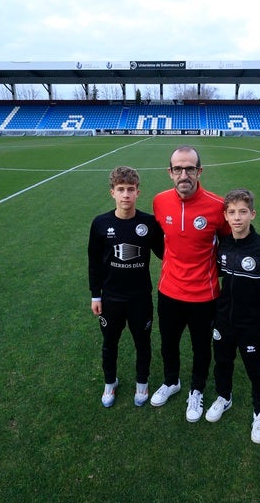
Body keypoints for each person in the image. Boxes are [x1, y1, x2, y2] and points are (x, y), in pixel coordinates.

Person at [151, 145, 231, 423]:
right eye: (177, 168)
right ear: (169, 172)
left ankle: (196, 390)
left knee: (200, 347)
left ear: (199, 171)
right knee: (168, 343)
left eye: (189, 168)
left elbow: (230, 245)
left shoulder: (217, 206)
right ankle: (172, 382)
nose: (183, 174)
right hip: (169, 291)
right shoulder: (159, 201)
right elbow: (164, 240)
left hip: (204, 295)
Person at [204, 188, 260, 444]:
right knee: (222, 362)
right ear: (226, 216)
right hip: (223, 321)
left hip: (252, 325)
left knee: (257, 370)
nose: (237, 217)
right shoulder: (223, 245)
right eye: (231, 212)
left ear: (252, 214)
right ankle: (224, 397)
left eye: (243, 212)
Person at [88, 166, 163, 408]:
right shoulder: (100, 223)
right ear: (112, 193)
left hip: (140, 298)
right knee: (109, 343)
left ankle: (143, 382)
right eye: (120, 190)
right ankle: (110, 382)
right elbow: (94, 262)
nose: (126, 195)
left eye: (130, 189)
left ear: (138, 192)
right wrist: (95, 296)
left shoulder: (149, 224)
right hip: (111, 299)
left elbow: (166, 254)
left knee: (143, 342)